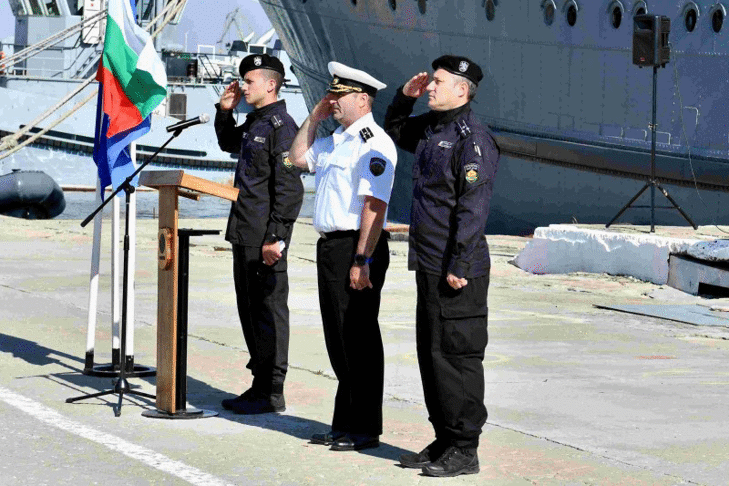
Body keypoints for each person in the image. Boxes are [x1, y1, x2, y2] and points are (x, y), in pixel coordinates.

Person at [384, 55, 500, 477]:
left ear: (461, 90)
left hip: (457, 269)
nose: (430, 87)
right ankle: (445, 436)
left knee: (458, 357)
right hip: (429, 262)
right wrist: (403, 98)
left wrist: (460, 262)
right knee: (432, 356)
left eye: (437, 82)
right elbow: (395, 130)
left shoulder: (472, 140)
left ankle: (465, 447)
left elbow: (473, 207)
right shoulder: (434, 129)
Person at [289, 61, 397, 451]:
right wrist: (314, 117)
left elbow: (374, 204)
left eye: (340, 95)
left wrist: (362, 260)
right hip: (332, 247)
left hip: (357, 245)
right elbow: (297, 158)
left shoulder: (374, 143)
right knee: (339, 338)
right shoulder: (336, 140)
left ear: (363, 99)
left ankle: (365, 429)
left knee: (360, 339)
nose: (332, 100)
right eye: (331, 94)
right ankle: (344, 424)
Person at [214, 53, 304, 414]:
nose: (244, 86)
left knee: (268, 312)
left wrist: (276, 237)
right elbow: (228, 144)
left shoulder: (282, 126)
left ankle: (271, 390)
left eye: (249, 81)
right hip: (244, 231)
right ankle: (259, 384)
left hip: (263, 236)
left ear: (271, 84)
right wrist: (225, 112)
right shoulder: (256, 121)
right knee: (250, 311)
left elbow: (289, 189)